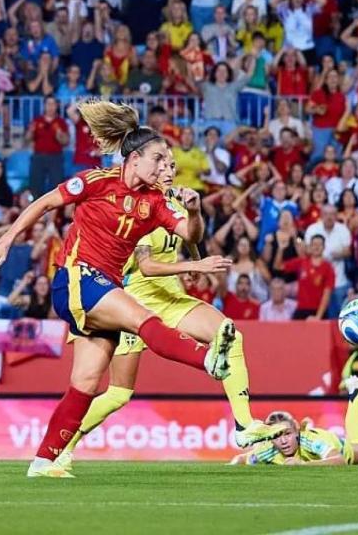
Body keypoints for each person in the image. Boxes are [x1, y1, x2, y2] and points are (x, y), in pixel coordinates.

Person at [0, 101, 254, 478]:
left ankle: (43, 461)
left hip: (104, 288)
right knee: (142, 317)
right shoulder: (97, 181)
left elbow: (189, 234)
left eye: (167, 161)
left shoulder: (157, 203)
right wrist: (7, 241)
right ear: (134, 158)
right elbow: (46, 203)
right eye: (158, 158)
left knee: (87, 383)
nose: (164, 167)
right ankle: (208, 360)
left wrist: (194, 212)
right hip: (76, 278)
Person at [54, 152, 282, 473]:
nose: (169, 170)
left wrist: (194, 233)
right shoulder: (142, 206)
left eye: (173, 166)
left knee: (228, 333)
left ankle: (244, 425)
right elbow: (145, 266)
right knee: (119, 393)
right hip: (133, 302)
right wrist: (194, 265)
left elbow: (192, 235)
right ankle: (64, 445)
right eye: (162, 165)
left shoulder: (174, 201)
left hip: (171, 297)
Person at [230, 376, 358, 465]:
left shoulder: (309, 441)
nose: (283, 441)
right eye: (276, 436)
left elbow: (339, 461)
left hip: (333, 443)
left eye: (287, 434)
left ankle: (356, 390)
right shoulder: (268, 450)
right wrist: (234, 464)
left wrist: (302, 465)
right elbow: (242, 460)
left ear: (297, 430)